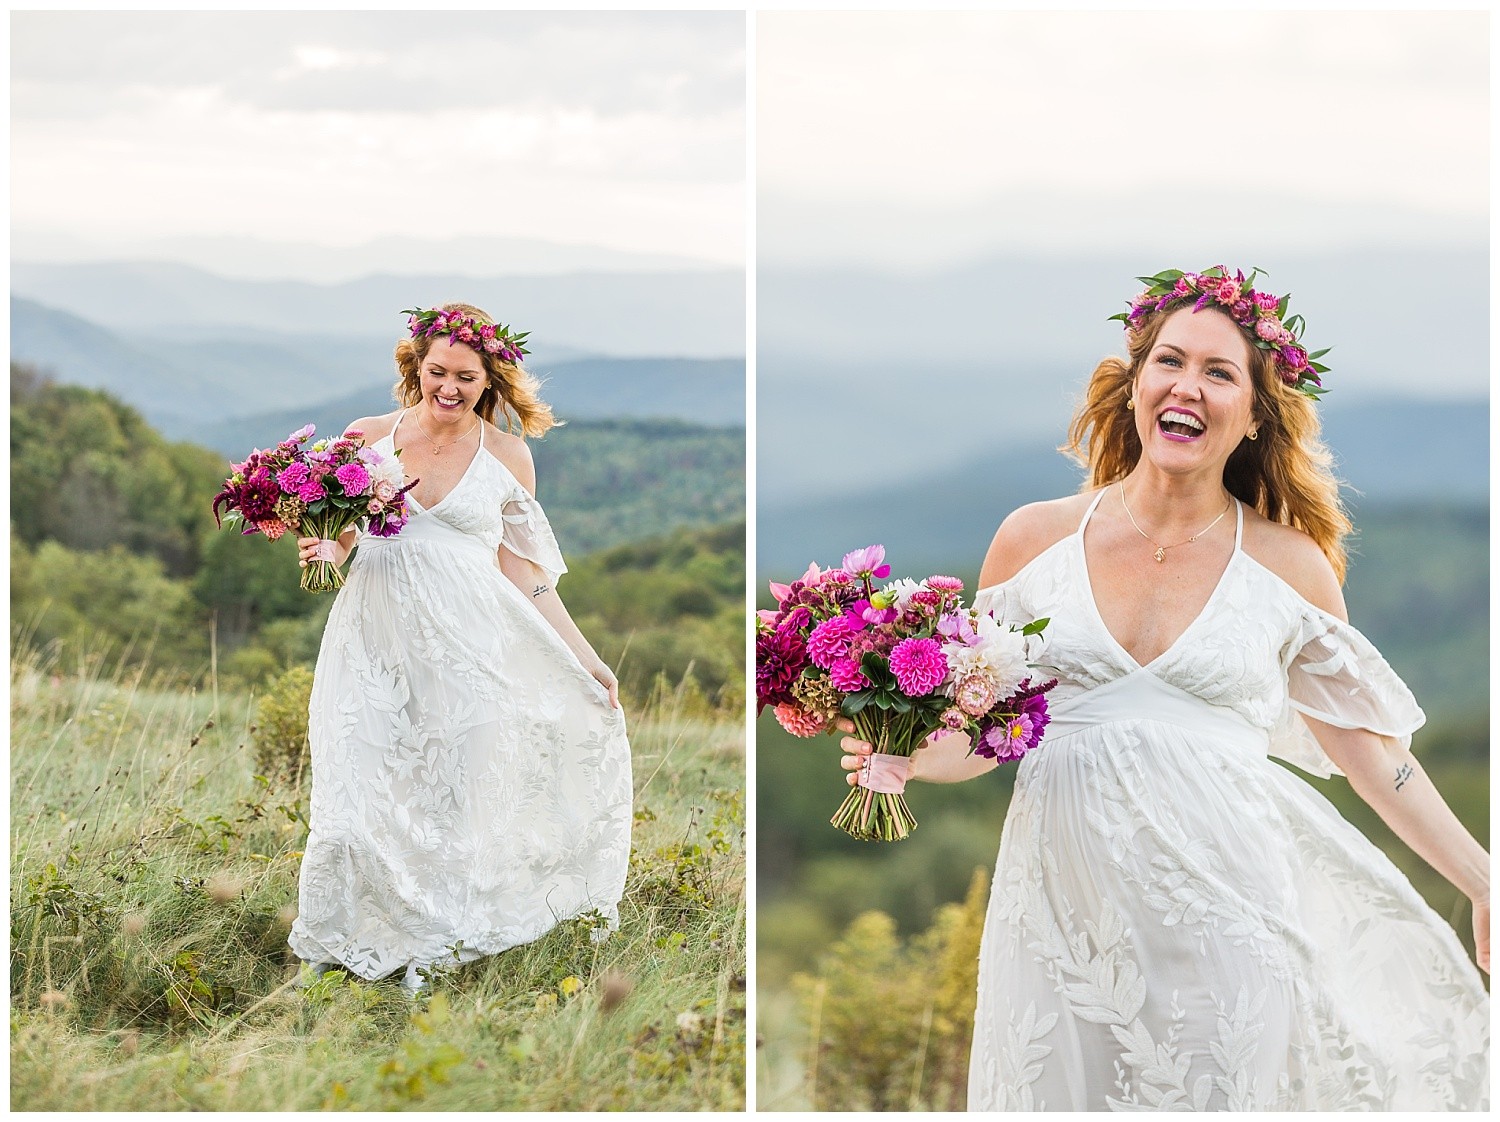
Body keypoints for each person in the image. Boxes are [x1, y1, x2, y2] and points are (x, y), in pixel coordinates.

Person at [837, 268, 1488, 1110]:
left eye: (1220, 373)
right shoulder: (1033, 540)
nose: (1188, 386)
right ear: (1136, 381)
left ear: (1255, 414)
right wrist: (910, 759)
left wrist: (1483, 880)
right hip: (1059, 924)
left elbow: (1376, 761)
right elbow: (983, 731)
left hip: (1229, 918)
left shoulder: (1292, 568)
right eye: (1169, 362)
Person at [287, 303, 632, 996]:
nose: (449, 386)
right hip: (372, 640)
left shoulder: (507, 456)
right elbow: (343, 533)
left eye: (465, 377)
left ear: (489, 379)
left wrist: (585, 657)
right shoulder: (367, 437)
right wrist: (328, 543)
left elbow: (525, 574)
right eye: (437, 371)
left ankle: (436, 945)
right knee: (358, 796)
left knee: (455, 801)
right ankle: (338, 945)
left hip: (473, 649)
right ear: (416, 367)